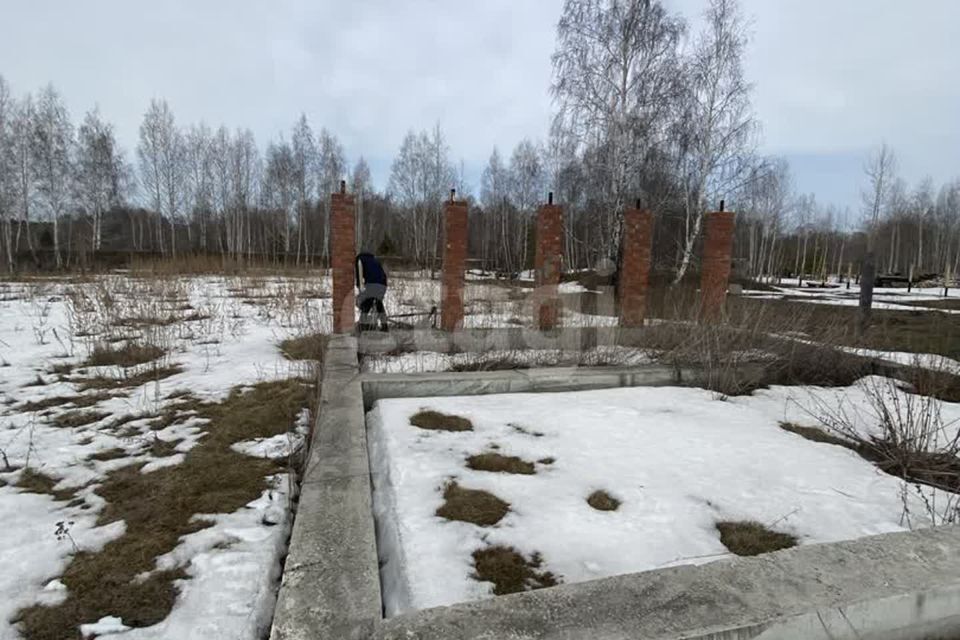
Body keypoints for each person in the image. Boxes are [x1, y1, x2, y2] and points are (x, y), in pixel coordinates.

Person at [355, 252, 388, 331]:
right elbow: (383, 274)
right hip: (383, 284)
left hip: (372, 284)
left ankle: (362, 326)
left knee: (366, 303)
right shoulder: (375, 260)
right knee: (378, 303)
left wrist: (360, 289)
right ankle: (384, 326)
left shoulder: (359, 260)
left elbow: (359, 277)